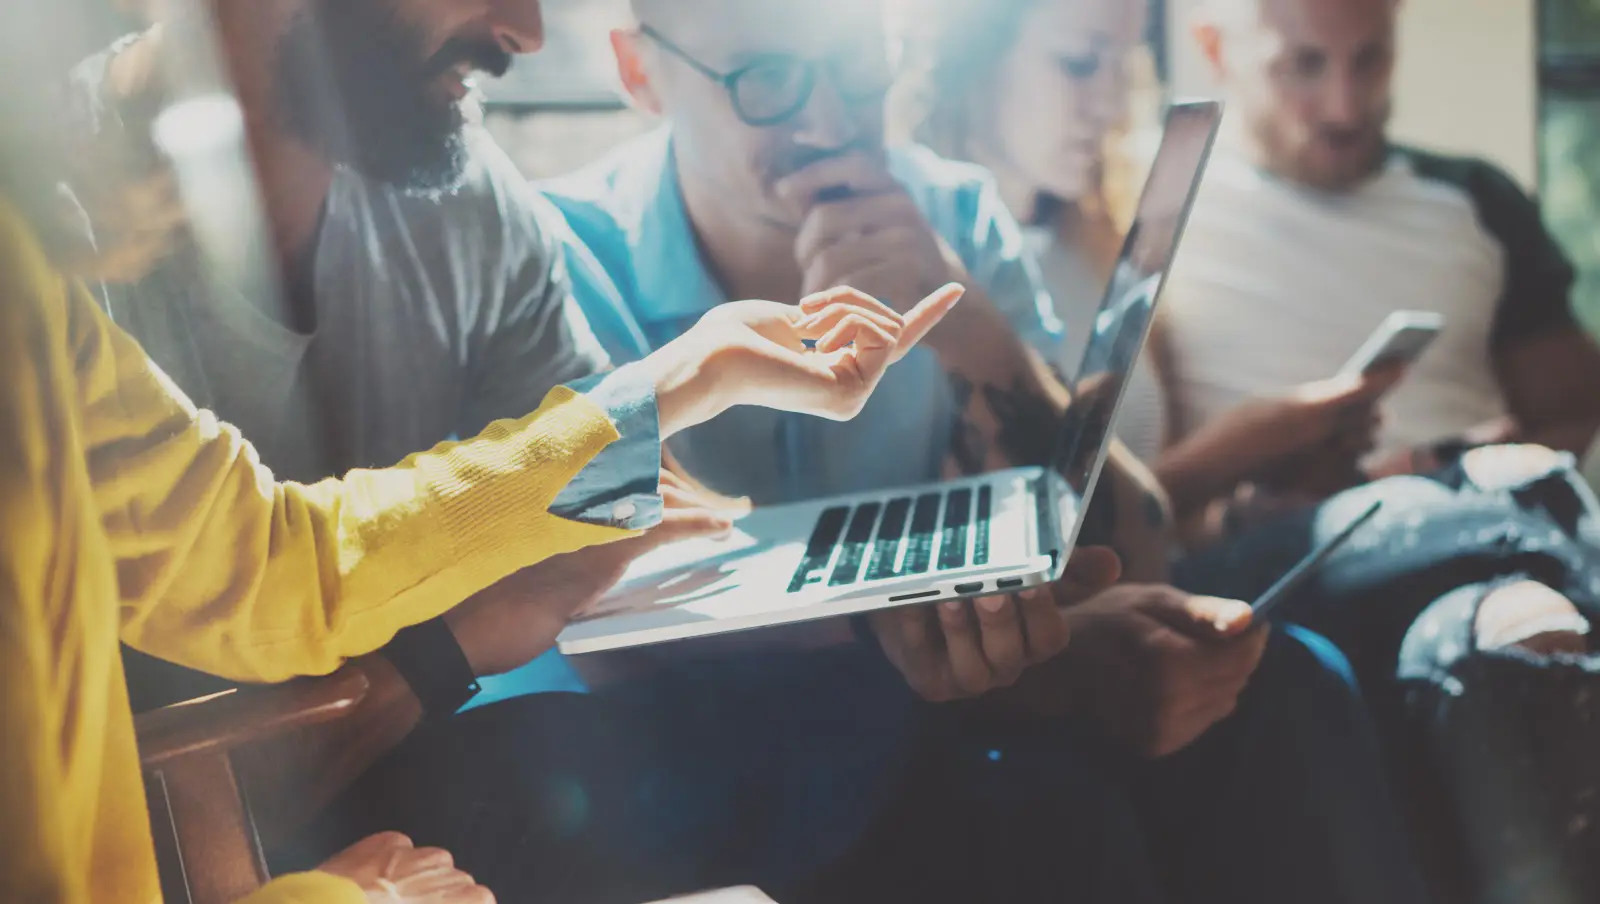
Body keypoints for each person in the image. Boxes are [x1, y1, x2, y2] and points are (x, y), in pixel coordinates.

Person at [523, 1, 1437, 902]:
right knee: (1043, 803)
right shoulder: (566, 257)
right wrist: (1039, 660)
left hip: (954, 697)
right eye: (765, 79)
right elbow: (609, 620)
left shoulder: (950, 210)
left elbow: (1137, 535)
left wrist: (965, 321)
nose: (832, 123)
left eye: (857, 67)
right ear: (641, 73)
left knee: (1287, 681)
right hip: (702, 741)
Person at [892, 0, 1399, 538]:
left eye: (1124, 65)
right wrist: (1227, 453)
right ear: (973, 54)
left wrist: (1253, 485)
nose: (1110, 106)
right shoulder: (914, 266)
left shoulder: (1099, 236)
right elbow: (1023, 544)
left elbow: (1152, 530)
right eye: (1080, 64)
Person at [1168, 0, 1600, 484]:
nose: (1345, 107)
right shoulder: (1154, 210)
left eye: (1369, 58)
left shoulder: (1477, 200)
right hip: (1257, 546)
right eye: (1304, 65)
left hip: (1479, 525)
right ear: (1215, 50)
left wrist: (1489, 467)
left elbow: (1576, 417)